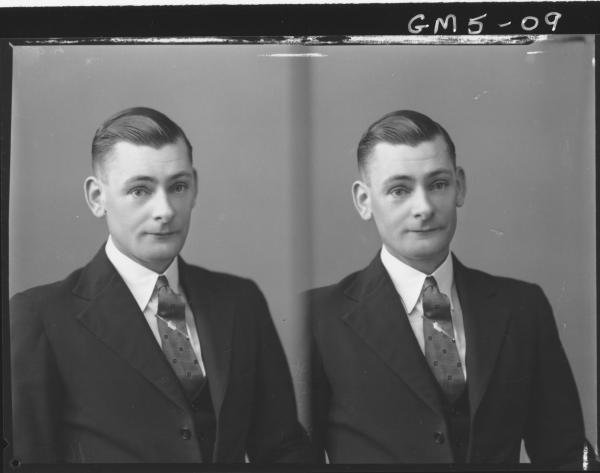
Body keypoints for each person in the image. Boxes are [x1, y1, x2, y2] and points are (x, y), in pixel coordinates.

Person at [10, 107, 311, 464]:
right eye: (140, 190)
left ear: (195, 188)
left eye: (178, 186)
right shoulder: (40, 317)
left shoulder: (240, 301)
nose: (165, 210)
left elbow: (284, 450)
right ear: (96, 197)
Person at [308, 110, 590, 466]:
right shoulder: (317, 318)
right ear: (364, 201)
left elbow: (565, 453)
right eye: (399, 190)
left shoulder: (521, 307)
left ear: (460, 185)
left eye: (438, 184)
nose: (423, 208)